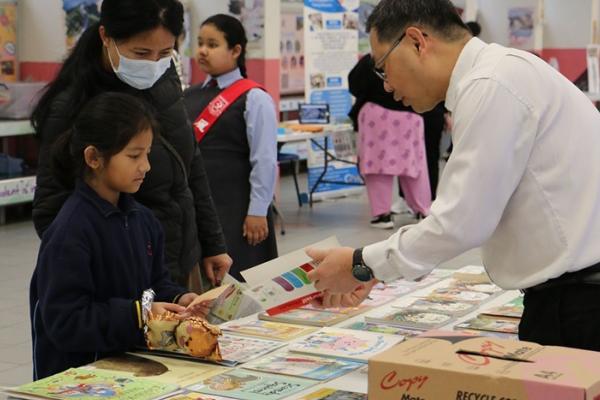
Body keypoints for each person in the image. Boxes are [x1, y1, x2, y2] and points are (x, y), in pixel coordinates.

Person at [307, 0, 600, 352]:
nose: (386, 86)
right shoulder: (501, 72)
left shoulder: (491, 83)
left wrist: (362, 264)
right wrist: (376, 269)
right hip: (572, 293)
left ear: (417, 42)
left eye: (383, 68)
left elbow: (460, 222)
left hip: (579, 304)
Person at [31, 0, 232, 292]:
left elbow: (190, 164)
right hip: (124, 277)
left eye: (165, 53)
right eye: (141, 53)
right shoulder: (75, 104)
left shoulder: (164, 77)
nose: (153, 64)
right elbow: (51, 209)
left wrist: (213, 243)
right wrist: (113, 268)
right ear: (106, 36)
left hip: (181, 261)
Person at [30, 92, 207, 380]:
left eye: (147, 154)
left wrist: (179, 298)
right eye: (134, 156)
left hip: (133, 369)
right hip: (81, 379)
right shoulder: (70, 232)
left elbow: (154, 285)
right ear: (93, 158)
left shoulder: (143, 220)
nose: (146, 166)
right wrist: (140, 314)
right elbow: (66, 322)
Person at [183, 14, 278, 281]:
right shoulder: (187, 96)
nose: (203, 51)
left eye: (212, 45)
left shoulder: (254, 98)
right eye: (200, 43)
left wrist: (257, 211)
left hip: (238, 208)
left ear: (236, 50)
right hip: (200, 207)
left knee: (242, 279)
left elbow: (265, 159)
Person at [348, 53, 431, 229]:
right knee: (415, 167)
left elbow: (354, 84)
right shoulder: (416, 56)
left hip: (376, 115)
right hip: (411, 115)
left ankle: (382, 215)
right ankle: (423, 211)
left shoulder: (373, 58)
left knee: (377, 168)